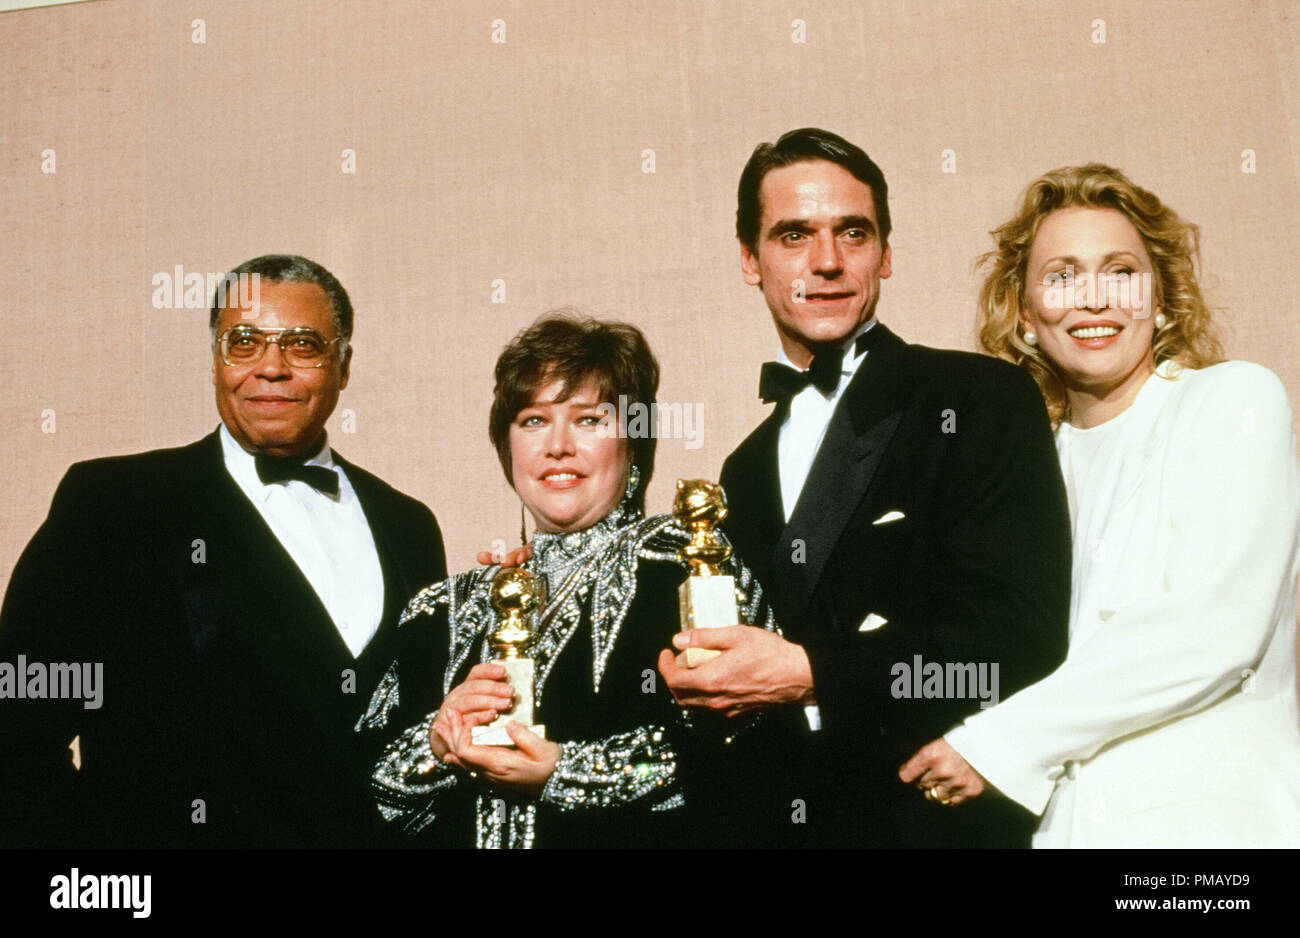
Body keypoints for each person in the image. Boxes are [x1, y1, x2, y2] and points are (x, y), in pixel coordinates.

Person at [657, 127, 1073, 847]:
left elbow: (1020, 641)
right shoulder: (742, 470)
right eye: (793, 236)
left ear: (885, 254)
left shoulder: (977, 397)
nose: (826, 262)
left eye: (852, 232)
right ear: (751, 261)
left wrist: (810, 672)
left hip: (938, 827)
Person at [899, 164, 1300, 847]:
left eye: (1120, 271)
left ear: (1163, 298)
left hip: (1209, 840)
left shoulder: (1234, 402)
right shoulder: (1021, 468)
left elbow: (1213, 630)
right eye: (1061, 275)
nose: (1093, 298)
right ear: (1024, 312)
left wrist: (996, 743)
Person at [0, 254, 447, 847]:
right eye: (245, 343)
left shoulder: (409, 524)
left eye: (303, 345)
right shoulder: (112, 503)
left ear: (344, 367)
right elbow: (17, 725)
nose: (271, 368)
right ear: (215, 362)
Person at [359, 314, 774, 848]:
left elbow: (748, 754)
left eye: (589, 420)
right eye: (532, 420)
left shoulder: (689, 568)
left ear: (634, 441)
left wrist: (564, 772)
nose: (558, 446)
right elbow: (361, 800)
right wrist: (437, 746)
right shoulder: (440, 608)